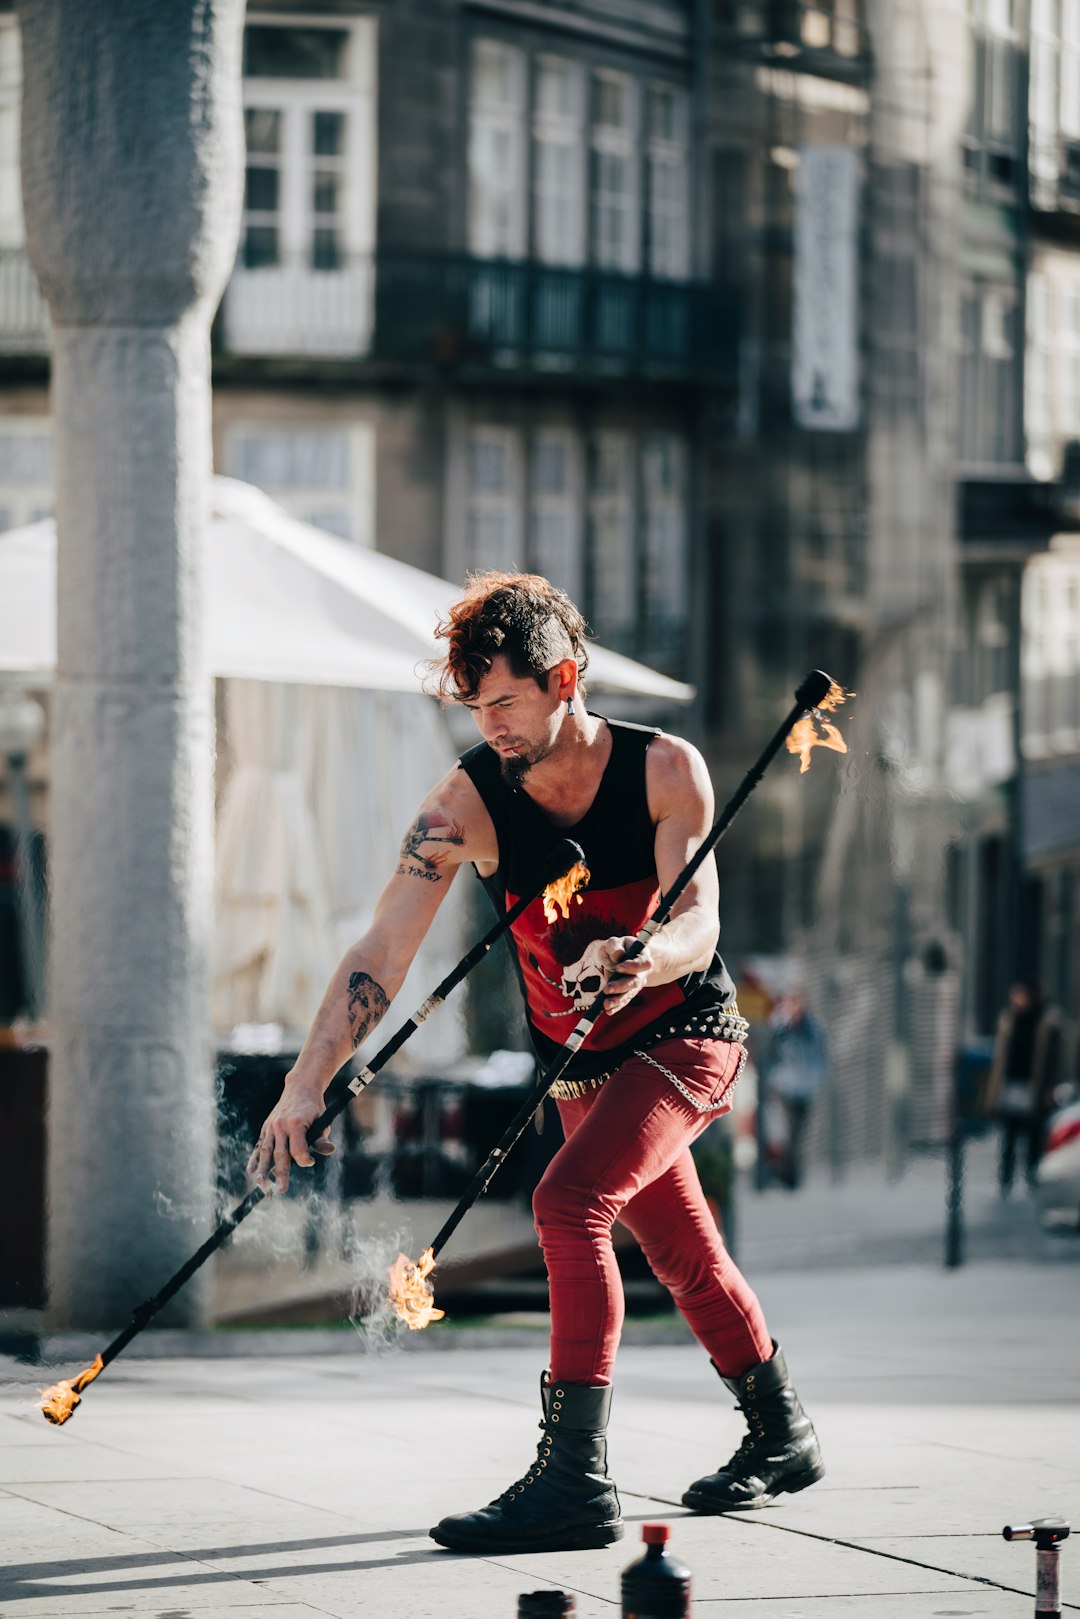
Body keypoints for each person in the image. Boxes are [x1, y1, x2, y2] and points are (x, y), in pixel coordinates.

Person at [248, 572, 824, 1556]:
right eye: (477, 706)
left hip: (687, 1037)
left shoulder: (665, 768)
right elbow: (378, 953)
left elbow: (701, 921)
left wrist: (649, 953)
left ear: (564, 676)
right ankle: (783, 1432)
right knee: (683, 1253)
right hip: (581, 1068)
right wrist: (308, 1079)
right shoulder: (464, 800)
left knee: (567, 1204)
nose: (492, 724)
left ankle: (571, 1479)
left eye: (506, 699)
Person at [984, 981, 1064, 1194]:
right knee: (1008, 1133)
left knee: (1034, 1133)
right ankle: (1006, 1178)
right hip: (1011, 1083)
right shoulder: (1009, 1020)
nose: (1017, 1000)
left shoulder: (1047, 1022)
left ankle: (1032, 1174)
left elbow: (1055, 1060)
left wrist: (1050, 1088)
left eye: (1021, 996)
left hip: (1034, 1085)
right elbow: (1000, 1057)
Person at [761, 991, 828, 1190]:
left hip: (805, 1089)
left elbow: (821, 1056)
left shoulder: (813, 1030)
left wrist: (816, 1080)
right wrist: (774, 1077)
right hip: (784, 1088)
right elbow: (770, 1057)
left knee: (797, 1135)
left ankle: (789, 1173)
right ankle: (785, 1174)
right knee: (783, 1132)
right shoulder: (780, 1030)